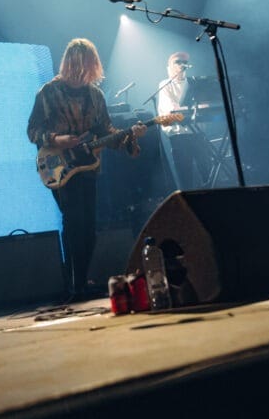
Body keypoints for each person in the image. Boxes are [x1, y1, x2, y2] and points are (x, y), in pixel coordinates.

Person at [27, 38, 148, 299]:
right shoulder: (48, 93)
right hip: (58, 165)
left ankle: (80, 281)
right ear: (70, 64)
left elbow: (106, 132)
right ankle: (76, 285)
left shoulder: (96, 96)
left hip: (88, 166)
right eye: (79, 66)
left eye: (88, 67)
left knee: (89, 226)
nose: (83, 73)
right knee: (73, 221)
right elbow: (33, 130)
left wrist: (129, 137)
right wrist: (58, 139)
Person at [156, 51, 215, 190]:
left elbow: (205, 105)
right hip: (179, 136)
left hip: (198, 134)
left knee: (208, 173)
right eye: (178, 62)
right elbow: (171, 109)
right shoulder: (165, 84)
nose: (182, 64)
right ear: (169, 66)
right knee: (185, 177)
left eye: (184, 62)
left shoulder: (193, 83)